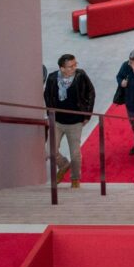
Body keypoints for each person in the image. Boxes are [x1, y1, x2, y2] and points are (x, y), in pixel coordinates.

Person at [44, 54, 95, 188]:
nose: (74, 68)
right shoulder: (52, 78)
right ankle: (63, 165)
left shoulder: (80, 75)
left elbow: (91, 92)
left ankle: (75, 179)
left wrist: (87, 115)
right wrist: (50, 115)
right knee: (50, 151)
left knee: (75, 154)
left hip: (75, 122)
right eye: (70, 66)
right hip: (57, 121)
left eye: (75, 65)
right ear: (62, 68)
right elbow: (47, 96)